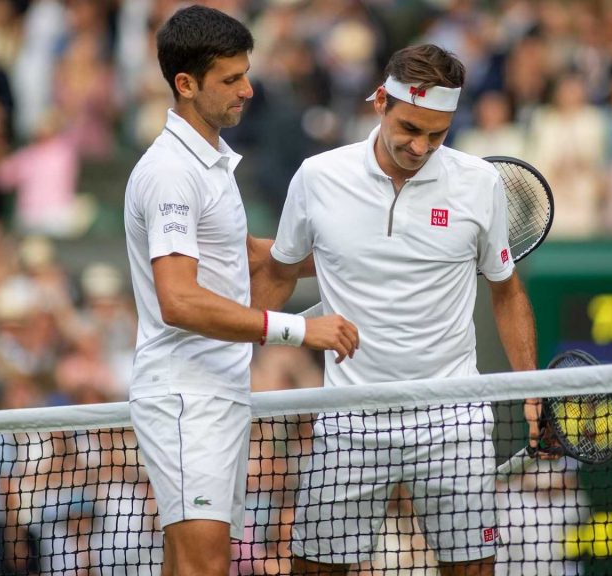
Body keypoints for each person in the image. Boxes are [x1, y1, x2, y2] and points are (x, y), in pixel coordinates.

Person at [254, 44, 542, 576]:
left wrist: (532, 388)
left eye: (437, 134)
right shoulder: (318, 177)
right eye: (410, 128)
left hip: (454, 419)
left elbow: (506, 289)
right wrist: (235, 355)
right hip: (348, 421)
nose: (421, 146)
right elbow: (278, 270)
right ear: (381, 102)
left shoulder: (480, 184)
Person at [122, 6, 359, 576]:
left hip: (216, 393)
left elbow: (250, 254)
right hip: (186, 397)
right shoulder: (171, 174)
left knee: (197, 565)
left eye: (245, 74)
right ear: (186, 84)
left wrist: (355, 254)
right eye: (230, 79)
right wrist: (301, 330)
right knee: (204, 565)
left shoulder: (208, 166)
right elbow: (177, 301)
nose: (248, 89)